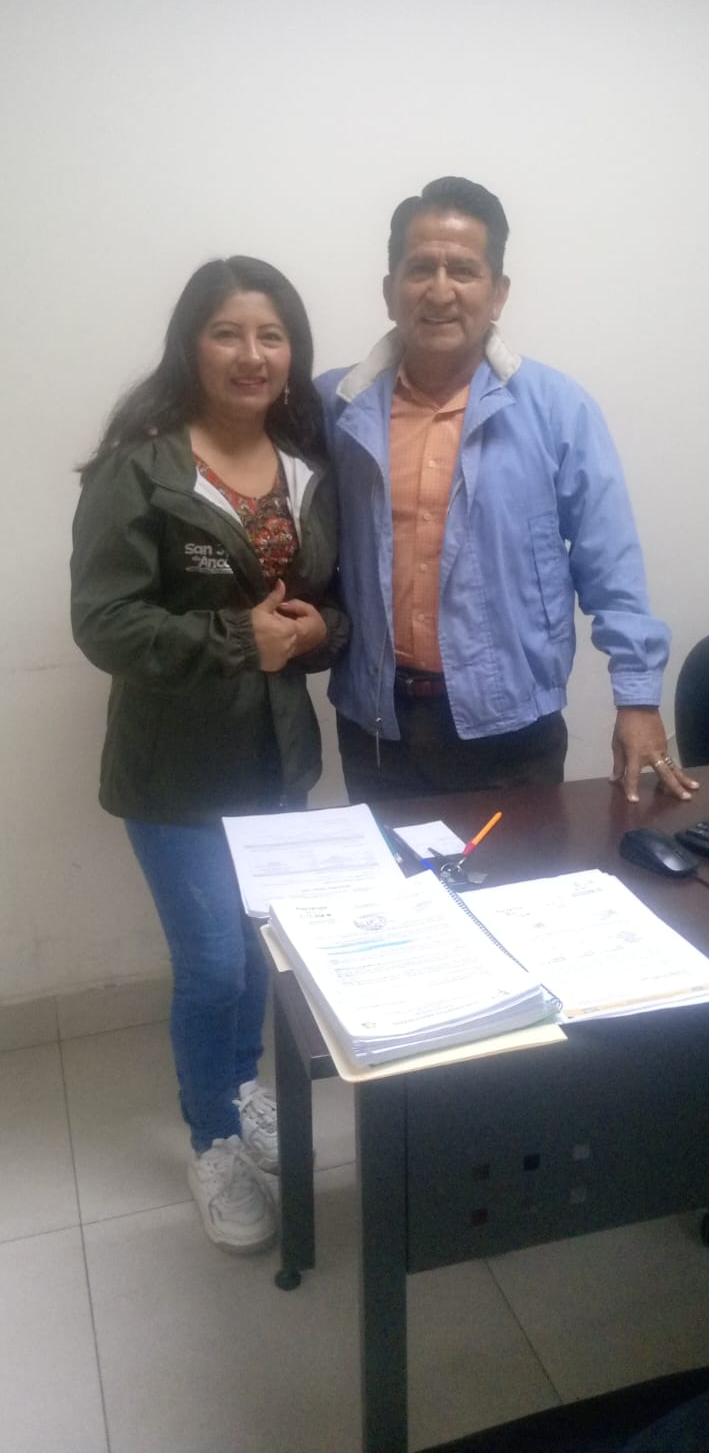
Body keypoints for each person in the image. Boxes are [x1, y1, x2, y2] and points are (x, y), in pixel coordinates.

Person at [71, 256, 348, 1253]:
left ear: (293, 352)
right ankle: (212, 1141)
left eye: (271, 335)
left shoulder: (309, 466)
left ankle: (238, 1088)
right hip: (175, 773)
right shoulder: (139, 469)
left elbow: (332, 605)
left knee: (259, 954)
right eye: (228, 331)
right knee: (213, 965)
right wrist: (242, 640)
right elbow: (103, 622)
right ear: (192, 344)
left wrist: (320, 631)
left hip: (276, 764)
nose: (251, 353)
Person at [316, 176, 698, 806]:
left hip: (512, 731)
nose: (441, 290)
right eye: (420, 269)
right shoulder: (337, 406)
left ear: (498, 293)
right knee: (386, 876)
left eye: (464, 270)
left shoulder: (557, 409)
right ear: (389, 291)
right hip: (377, 727)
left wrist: (637, 698)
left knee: (517, 874)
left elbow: (612, 567)